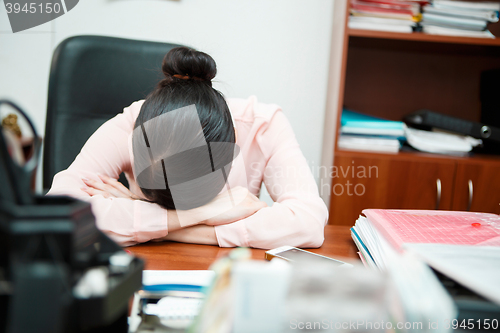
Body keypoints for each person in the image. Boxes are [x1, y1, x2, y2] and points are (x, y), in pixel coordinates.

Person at [47, 47, 328, 249]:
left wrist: (145, 215)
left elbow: (308, 222)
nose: (189, 208)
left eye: (202, 201)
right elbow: (58, 214)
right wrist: (195, 216)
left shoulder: (262, 124)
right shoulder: (133, 124)